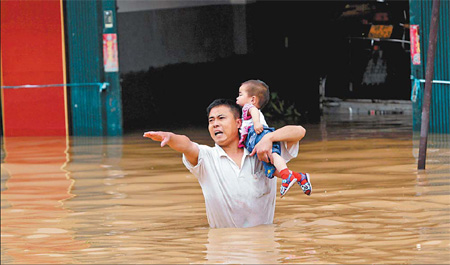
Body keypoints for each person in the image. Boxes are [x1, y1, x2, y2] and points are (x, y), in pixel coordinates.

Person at [143, 99, 306, 228]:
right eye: (211, 120)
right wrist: (170, 137)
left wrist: (269, 138)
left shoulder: (262, 151)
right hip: (222, 252)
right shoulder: (206, 158)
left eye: (221, 118)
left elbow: (299, 131)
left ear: (238, 123)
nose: (215, 124)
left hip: (263, 249)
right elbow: (187, 144)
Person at [236, 80, 311, 197]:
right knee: (270, 170)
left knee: (273, 154)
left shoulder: (248, 107)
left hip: (259, 135)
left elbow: (254, 112)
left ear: (252, 99)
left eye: (240, 94)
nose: (237, 97)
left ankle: (286, 175)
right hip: (255, 141)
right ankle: (299, 177)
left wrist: (257, 124)